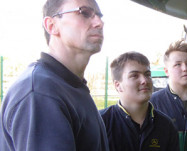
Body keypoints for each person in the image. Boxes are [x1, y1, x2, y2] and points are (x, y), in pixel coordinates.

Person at [0, 0, 109, 150]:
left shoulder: (70, 86)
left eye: (99, 15)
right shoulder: (40, 92)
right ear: (52, 26)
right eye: (84, 13)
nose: (99, 23)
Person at [100, 52, 179, 151]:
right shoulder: (101, 123)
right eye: (134, 76)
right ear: (118, 85)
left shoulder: (166, 126)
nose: (144, 80)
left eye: (147, 74)